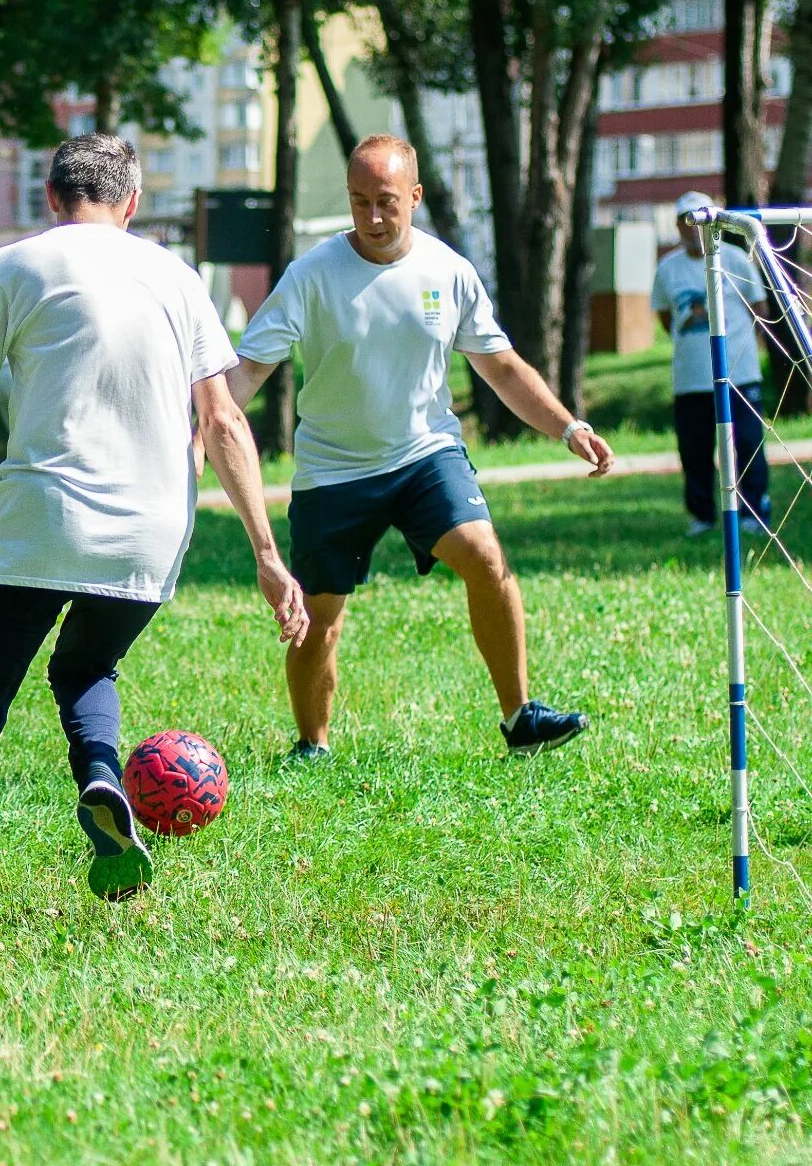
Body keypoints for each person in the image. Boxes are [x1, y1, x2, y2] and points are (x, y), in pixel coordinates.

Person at [0, 134, 307, 947]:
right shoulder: (177, 278)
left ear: (51, 198)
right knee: (85, 664)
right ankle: (104, 780)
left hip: (41, 522)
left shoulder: (9, 269)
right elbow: (222, 421)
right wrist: (265, 550)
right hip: (152, 534)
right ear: (132, 203)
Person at [227, 134, 616, 764]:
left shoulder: (448, 271)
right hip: (333, 470)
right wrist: (204, 432)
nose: (373, 218)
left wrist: (568, 427)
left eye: (386, 202)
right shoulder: (311, 277)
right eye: (359, 203)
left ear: (415, 196)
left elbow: (504, 368)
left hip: (424, 456)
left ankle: (519, 717)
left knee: (485, 556)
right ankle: (312, 745)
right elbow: (247, 371)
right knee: (319, 616)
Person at [654, 190, 771, 537]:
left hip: (739, 374)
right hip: (691, 379)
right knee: (695, 449)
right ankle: (702, 515)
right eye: (686, 220)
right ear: (677, 224)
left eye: (700, 219)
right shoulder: (668, 268)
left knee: (747, 444)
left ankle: (753, 512)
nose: (694, 228)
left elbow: (759, 309)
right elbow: (665, 316)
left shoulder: (735, 259)